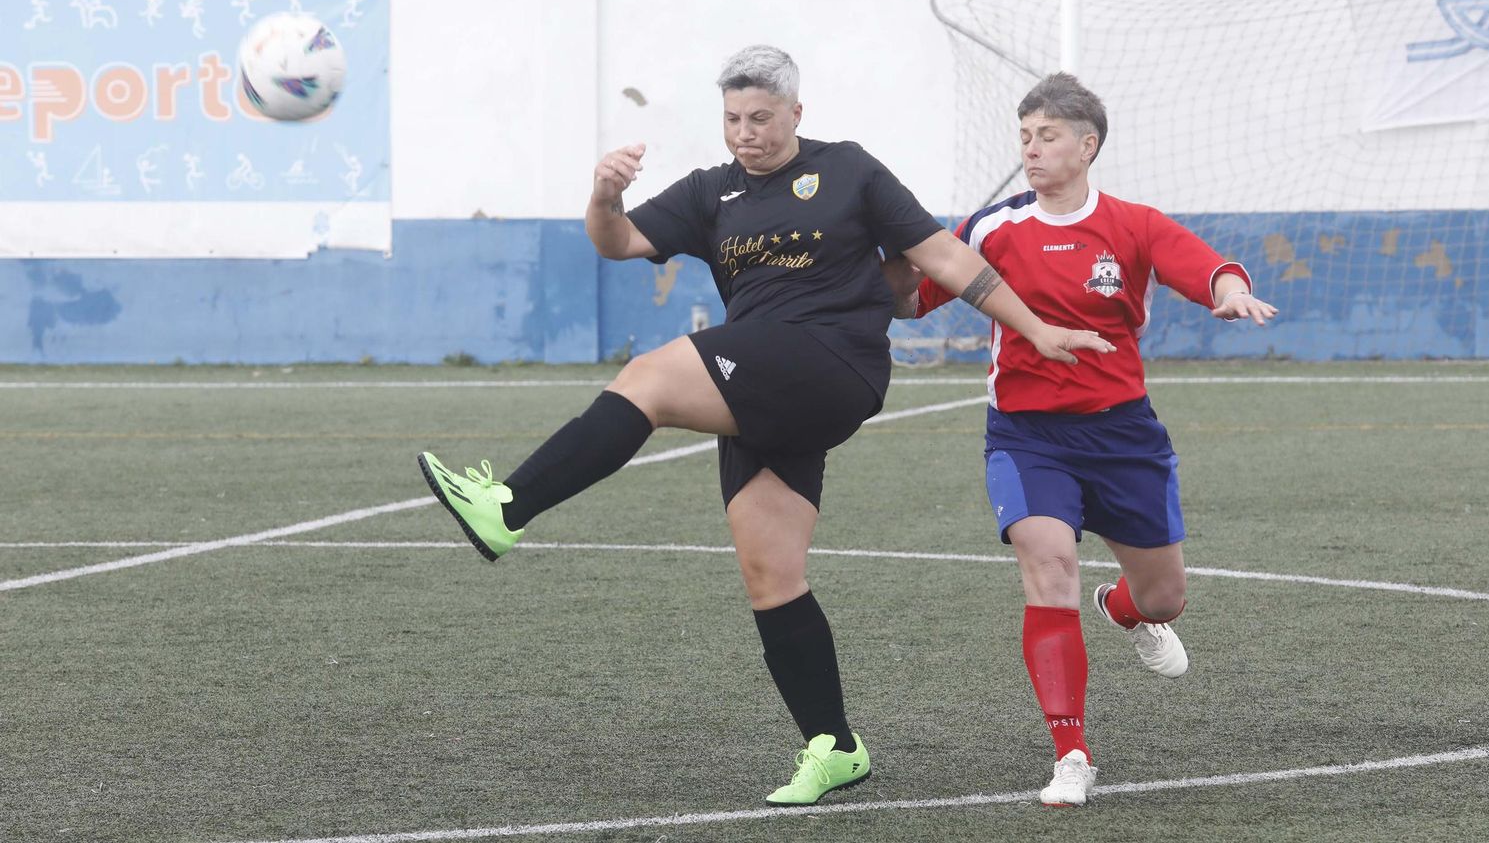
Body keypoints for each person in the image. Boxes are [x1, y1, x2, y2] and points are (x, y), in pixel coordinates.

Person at [417, 46, 1112, 807]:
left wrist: (1035, 327)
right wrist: (604, 195)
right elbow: (614, 242)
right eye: (732, 119)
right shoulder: (710, 193)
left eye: (760, 118)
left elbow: (941, 254)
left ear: (795, 115)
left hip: (832, 359)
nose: (745, 133)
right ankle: (835, 744)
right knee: (770, 574)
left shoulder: (848, 169)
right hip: (764, 377)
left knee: (647, 378)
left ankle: (508, 508)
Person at [895, 72, 1278, 807]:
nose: (1032, 150)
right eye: (1026, 136)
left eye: (1047, 135)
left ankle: (1126, 610)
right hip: (1027, 435)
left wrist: (1229, 292)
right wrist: (869, 261)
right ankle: (1071, 750)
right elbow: (914, 297)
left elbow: (1206, 267)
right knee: (1049, 565)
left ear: (1087, 144)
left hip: (1124, 435)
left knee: (1165, 597)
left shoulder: (1132, 223)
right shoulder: (992, 227)